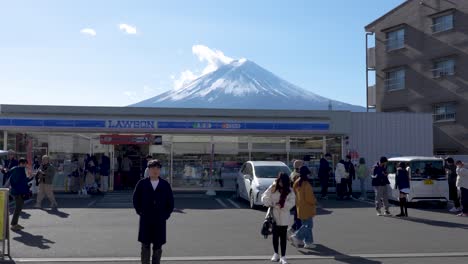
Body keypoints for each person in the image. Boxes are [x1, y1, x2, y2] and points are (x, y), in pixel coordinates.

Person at [133, 160, 174, 264]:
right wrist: (140, 212)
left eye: (157, 168)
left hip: (160, 220)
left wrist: (165, 215)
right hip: (145, 219)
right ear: (148, 170)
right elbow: (135, 199)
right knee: (145, 245)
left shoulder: (165, 185)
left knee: (158, 245)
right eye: (152, 168)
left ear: (160, 170)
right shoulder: (142, 184)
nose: (155, 170)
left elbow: (170, 202)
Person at [261, 172, 296, 264]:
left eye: (282, 182)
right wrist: (272, 204)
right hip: (274, 215)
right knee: (275, 236)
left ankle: (283, 256)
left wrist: (283, 205)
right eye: (279, 181)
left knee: (283, 237)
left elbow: (292, 202)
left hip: (284, 215)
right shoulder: (273, 187)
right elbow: (264, 197)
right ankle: (276, 253)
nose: (280, 183)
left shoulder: (290, 190)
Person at [290, 166, 317, 250]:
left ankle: (308, 242)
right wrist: (315, 201)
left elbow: (294, 192)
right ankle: (296, 236)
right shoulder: (306, 184)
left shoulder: (297, 182)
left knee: (306, 224)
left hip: (299, 206)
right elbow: (310, 198)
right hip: (307, 207)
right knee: (308, 225)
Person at [9, 158, 33, 231]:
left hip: (16, 191)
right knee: (18, 208)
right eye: (25, 164)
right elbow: (22, 181)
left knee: (18, 208)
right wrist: (30, 178)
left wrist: (29, 178)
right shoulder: (20, 170)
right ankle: (14, 225)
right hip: (18, 192)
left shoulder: (15, 169)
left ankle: (14, 224)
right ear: (21, 163)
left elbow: (19, 181)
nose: (26, 165)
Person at [288, 160, 302, 233]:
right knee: (299, 216)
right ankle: (297, 235)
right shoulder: (297, 176)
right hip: (298, 198)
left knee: (297, 215)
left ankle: (292, 229)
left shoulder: (292, 173)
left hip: (294, 197)